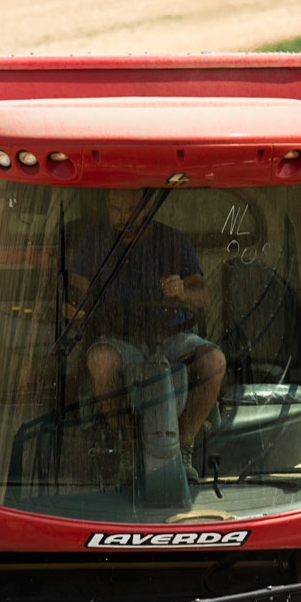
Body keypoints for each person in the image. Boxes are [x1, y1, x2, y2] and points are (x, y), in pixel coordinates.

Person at [68, 188, 225, 453]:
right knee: (100, 360)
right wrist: (74, 306)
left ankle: (184, 444)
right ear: (107, 204)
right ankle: (124, 444)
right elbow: (76, 291)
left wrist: (183, 291)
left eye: (131, 211)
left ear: (148, 208)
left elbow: (204, 295)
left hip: (173, 338)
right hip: (120, 338)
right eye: (116, 210)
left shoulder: (173, 241)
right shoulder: (93, 241)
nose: (123, 218)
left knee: (214, 361)